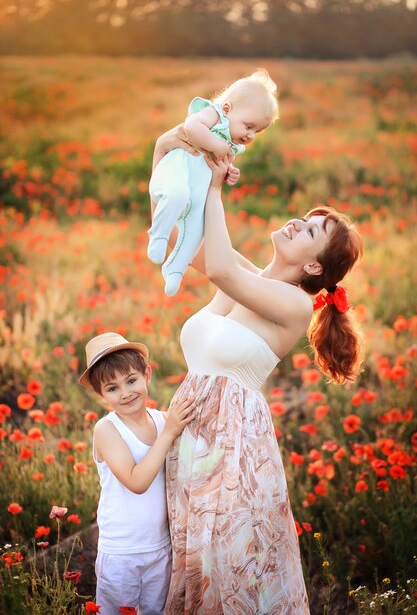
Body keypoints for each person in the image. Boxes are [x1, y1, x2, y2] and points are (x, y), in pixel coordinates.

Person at [150, 128, 364, 614]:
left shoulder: (292, 304)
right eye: (306, 219)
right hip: (190, 440)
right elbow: (169, 237)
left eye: (310, 231)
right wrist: (166, 154)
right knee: (196, 569)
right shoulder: (247, 278)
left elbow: (221, 268)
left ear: (313, 268)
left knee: (228, 575)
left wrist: (213, 188)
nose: (297, 223)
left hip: (233, 449)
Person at [78, 332, 195, 615]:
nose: (126, 393)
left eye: (131, 380)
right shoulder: (107, 430)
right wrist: (168, 434)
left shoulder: (161, 420)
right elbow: (137, 481)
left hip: (160, 546)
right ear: (100, 395)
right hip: (122, 551)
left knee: (157, 611)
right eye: (112, 388)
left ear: (147, 375)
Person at [148, 69, 278, 296]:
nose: (250, 136)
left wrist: (230, 173)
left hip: (196, 187)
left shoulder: (232, 142)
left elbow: (225, 164)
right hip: (177, 173)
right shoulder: (214, 115)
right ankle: (157, 237)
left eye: (257, 131)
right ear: (227, 108)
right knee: (176, 195)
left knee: (196, 230)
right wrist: (215, 146)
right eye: (249, 126)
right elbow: (191, 126)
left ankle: (175, 268)